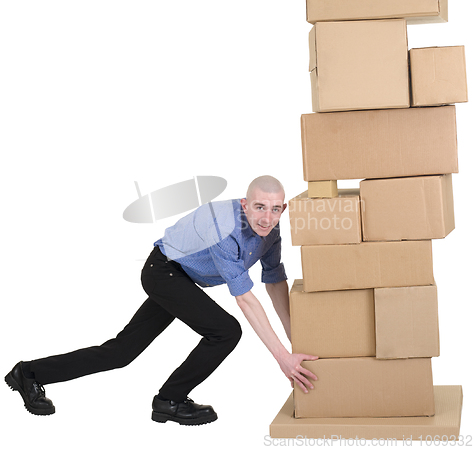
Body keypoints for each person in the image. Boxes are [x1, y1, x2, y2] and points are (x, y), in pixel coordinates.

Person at [5, 175, 318, 425]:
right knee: (226, 330)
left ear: (284, 209)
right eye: (260, 207)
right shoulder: (225, 231)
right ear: (244, 203)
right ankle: (170, 400)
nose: (267, 218)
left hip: (180, 277)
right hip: (163, 271)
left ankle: (29, 374)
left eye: (275, 209)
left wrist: (296, 339)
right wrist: (281, 358)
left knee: (121, 352)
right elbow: (245, 300)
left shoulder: (270, 234)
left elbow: (275, 282)